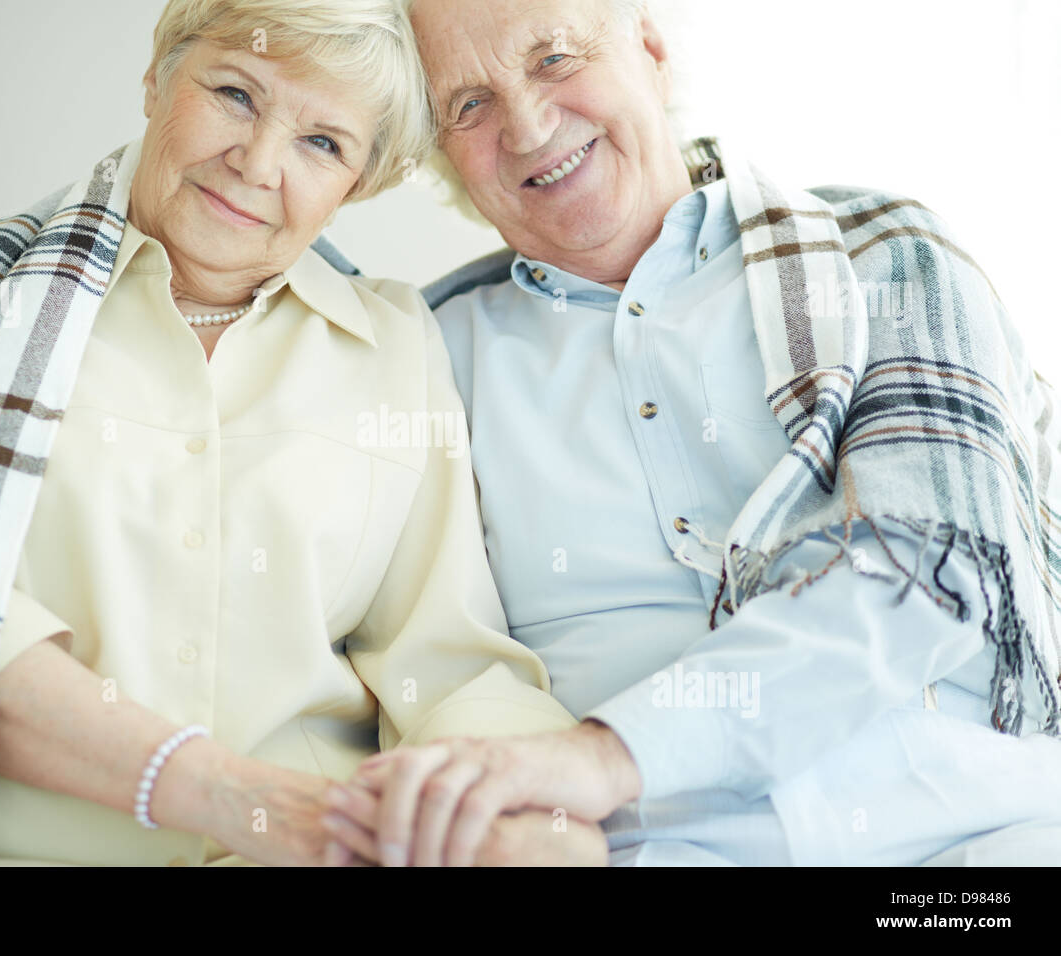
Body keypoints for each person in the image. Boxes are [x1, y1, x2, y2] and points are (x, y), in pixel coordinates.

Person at [0, 0, 608, 867]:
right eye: (236, 94)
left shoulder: (394, 342)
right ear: (158, 78)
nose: (258, 162)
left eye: (324, 143)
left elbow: (446, 656)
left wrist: (514, 806)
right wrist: (251, 805)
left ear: (359, 181)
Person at [324, 0, 1061, 866]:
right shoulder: (422, 356)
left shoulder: (878, 253)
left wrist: (608, 755)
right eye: (469, 105)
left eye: (557, 58)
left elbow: (933, 565)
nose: (526, 127)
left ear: (650, 47)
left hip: (961, 832)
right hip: (642, 852)